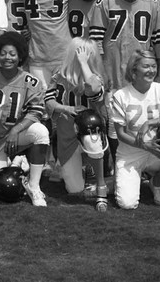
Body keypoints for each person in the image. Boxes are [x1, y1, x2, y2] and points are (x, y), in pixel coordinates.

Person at [89, 0, 160, 157]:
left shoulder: (152, 4)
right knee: (114, 128)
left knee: (142, 122)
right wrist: (101, 73)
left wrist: (159, 79)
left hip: (142, 77)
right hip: (113, 75)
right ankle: (118, 167)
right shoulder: (105, 3)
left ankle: (144, 166)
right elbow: (96, 43)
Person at [0, 32, 50, 206]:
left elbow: (36, 111)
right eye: (4, 53)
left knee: (41, 132)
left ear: (20, 56)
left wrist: (16, 129)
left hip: (14, 135)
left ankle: (34, 186)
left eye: (12, 54)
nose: (8, 58)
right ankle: (18, 161)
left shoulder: (30, 80)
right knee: (1, 182)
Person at [111, 50, 160, 209]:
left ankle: (156, 182)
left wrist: (151, 123)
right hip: (131, 153)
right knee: (127, 203)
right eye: (146, 66)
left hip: (157, 150)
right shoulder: (120, 96)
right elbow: (121, 134)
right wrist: (145, 146)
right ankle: (125, 178)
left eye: (153, 66)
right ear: (133, 70)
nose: (151, 70)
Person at [44, 38, 109, 210]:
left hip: (90, 132)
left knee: (91, 141)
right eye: (80, 54)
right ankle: (75, 166)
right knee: (75, 189)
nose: (85, 57)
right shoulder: (59, 75)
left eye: (88, 55)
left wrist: (83, 64)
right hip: (68, 136)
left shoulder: (96, 77)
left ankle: (101, 185)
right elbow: (49, 101)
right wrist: (66, 108)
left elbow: (93, 89)